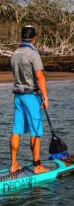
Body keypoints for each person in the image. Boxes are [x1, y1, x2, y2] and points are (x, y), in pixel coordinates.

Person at [10, 25, 49, 174]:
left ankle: (14, 164)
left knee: (16, 130)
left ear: (22, 36)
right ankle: (37, 166)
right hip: (31, 96)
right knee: (35, 131)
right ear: (34, 38)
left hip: (17, 96)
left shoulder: (14, 54)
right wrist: (45, 97)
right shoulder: (33, 54)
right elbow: (39, 76)